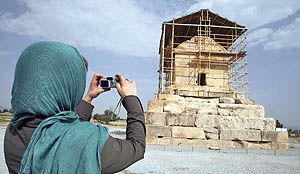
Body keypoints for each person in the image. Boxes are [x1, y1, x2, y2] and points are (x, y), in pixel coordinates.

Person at [4, 41, 146, 174]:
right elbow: (137, 147)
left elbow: (65, 129)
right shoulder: (88, 141)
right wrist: (131, 98)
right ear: (69, 85)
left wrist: (88, 97)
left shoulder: (12, 132)